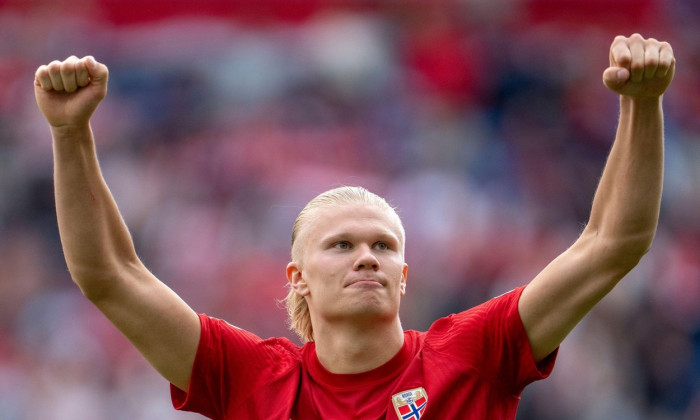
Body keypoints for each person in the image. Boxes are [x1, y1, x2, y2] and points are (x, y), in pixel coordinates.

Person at [34, 33, 675, 419]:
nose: (367, 257)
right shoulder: (251, 377)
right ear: (298, 278)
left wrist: (642, 106)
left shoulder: (474, 355)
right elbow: (109, 276)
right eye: (341, 245)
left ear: (405, 274)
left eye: (383, 246)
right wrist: (70, 135)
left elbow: (612, 242)